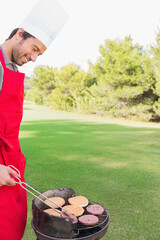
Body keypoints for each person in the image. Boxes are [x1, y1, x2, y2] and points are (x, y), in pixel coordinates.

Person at [0, 0, 69, 239]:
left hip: (11, 166)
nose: (34, 57)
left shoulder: (13, 70)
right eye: (34, 48)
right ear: (20, 33)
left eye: (39, 53)